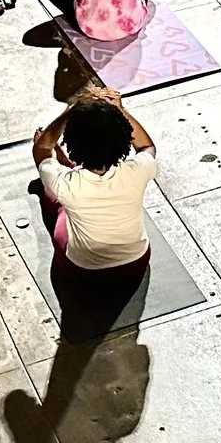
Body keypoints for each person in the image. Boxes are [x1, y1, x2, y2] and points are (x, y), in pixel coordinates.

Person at [34, 88, 156, 310]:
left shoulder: (67, 185)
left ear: (73, 142)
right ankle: (70, 166)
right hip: (136, 262)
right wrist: (121, 109)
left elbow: (42, 147)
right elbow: (146, 146)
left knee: (59, 203)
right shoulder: (138, 170)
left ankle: (68, 165)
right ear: (123, 139)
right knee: (64, 193)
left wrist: (72, 111)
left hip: (83, 271)